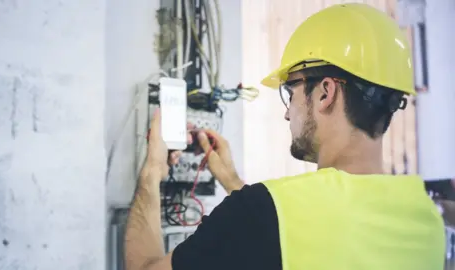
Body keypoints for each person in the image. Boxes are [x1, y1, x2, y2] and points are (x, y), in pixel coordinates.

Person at [124, 3, 445, 270]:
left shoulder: (261, 212)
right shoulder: (428, 222)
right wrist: (233, 181)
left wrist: (152, 173)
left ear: (325, 93)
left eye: (290, 93)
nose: (288, 113)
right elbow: (313, 233)